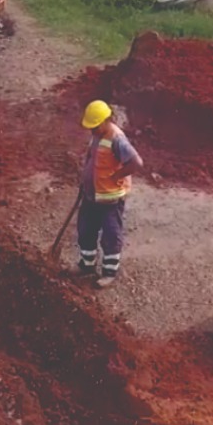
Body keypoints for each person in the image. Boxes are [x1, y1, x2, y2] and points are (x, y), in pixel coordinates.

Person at [77, 99, 144, 288]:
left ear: (107, 120)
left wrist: (117, 175)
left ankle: (109, 272)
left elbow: (136, 163)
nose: (92, 130)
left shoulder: (117, 139)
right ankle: (86, 265)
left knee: (111, 235)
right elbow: (92, 157)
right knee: (85, 230)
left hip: (110, 200)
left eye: (95, 126)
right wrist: (85, 180)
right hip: (92, 195)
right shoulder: (97, 135)